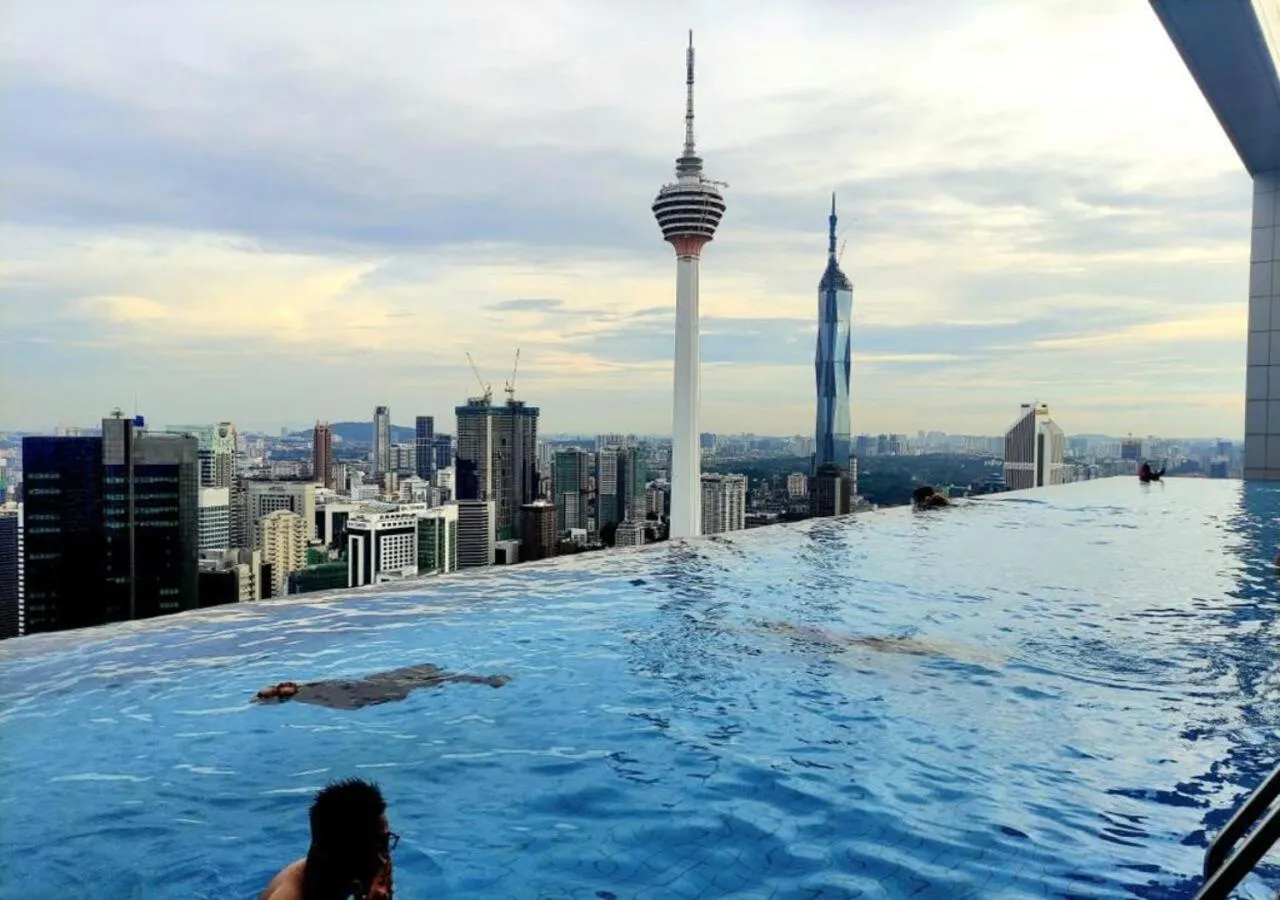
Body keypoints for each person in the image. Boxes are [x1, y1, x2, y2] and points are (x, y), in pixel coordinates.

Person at [262, 778, 396, 900]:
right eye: (376, 846)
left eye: (386, 842)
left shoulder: (342, 872)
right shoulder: (288, 896)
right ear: (339, 853)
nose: (385, 860)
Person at [254, 663, 511, 710]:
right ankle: (487, 681)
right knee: (435, 680)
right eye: (278, 688)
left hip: (369, 683)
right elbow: (349, 704)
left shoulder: (307, 688)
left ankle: (485, 680)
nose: (283, 684)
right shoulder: (306, 696)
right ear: (279, 697)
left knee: (429, 676)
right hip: (369, 690)